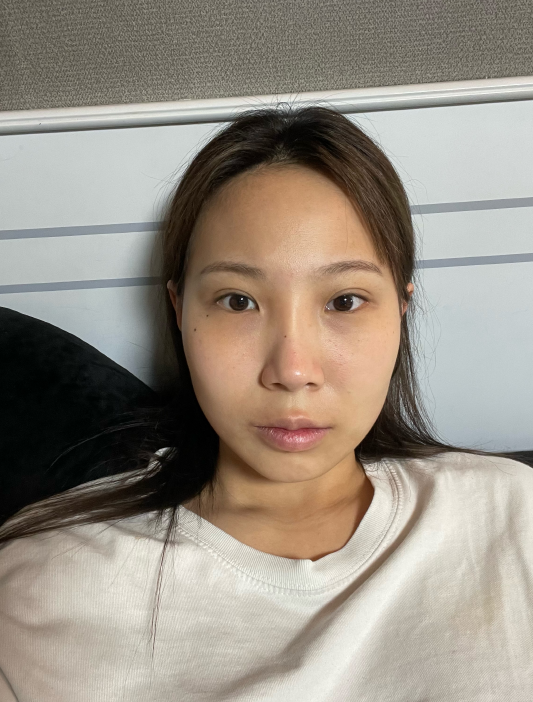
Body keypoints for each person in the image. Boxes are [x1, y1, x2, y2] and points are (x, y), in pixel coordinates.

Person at [0, 105, 531, 701]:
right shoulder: (43, 585)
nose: (293, 371)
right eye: (238, 302)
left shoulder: (514, 516)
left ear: (401, 310)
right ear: (179, 311)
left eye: (345, 301)